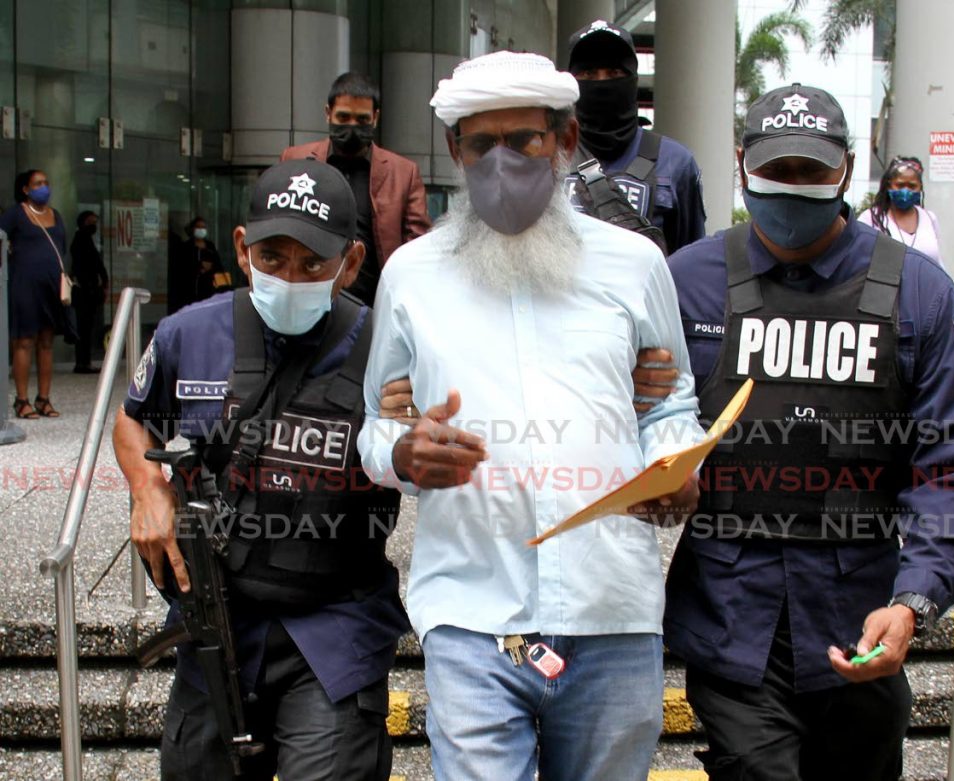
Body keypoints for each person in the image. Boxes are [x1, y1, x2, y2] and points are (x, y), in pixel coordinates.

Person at [357, 51, 704, 781]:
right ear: (455, 149)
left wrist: (676, 463)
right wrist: (404, 454)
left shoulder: (635, 265)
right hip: (472, 611)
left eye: (525, 141)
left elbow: (668, 401)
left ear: (567, 138)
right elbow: (377, 425)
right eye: (482, 144)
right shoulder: (411, 277)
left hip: (610, 606)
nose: (502, 162)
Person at [658, 84, 954, 780]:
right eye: (777, 171)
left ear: (846, 167)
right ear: (741, 162)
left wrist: (914, 600)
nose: (792, 188)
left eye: (811, 172)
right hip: (731, 616)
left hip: (860, 617)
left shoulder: (919, 294)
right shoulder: (686, 284)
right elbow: (630, 422)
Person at [112, 158, 410, 780]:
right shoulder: (188, 335)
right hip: (217, 623)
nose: (290, 276)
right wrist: (148, 488)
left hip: (335, 626)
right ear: (243, 249)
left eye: (312, 264)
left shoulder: (388, 348)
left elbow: (421, 452)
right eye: (273, 258)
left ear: (351, 264)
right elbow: (132, 418)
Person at [281, 71, 432, 306]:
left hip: (375, 304)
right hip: (309, 297)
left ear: (375, 117)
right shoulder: (295, 160)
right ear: (328, 114)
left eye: (361, 120)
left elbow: (419, 247)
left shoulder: (403, 173)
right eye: (343, 117)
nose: (352, 127)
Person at [565, 19, 706, 254]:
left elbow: (689, 264)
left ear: (634, 80)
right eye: (589, 73)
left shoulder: (675, 162)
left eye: (614, 72)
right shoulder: (548, 157)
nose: (602, 83)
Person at [0, 169, 71, 418]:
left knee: (46, 342)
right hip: (24, 286)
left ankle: (44, 398)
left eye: (46, 182)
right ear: (26, 189)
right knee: (24, 342)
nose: (44, 187)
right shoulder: (15, 214)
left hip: (51, 287)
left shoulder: (56, 215)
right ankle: (22, 400)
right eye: (38, 183)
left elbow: (61, 247)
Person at [859, 155, 943, 266]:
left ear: (920, 187)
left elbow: (938, 263)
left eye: (912, 186)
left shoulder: (930, 218)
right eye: (900, 185)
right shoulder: (871, 218)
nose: (906, 191)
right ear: (889, 186)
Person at [70, 210, 109, 373]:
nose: (94, 226)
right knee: (84, 328)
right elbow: (85, 266)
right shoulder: (81, 241)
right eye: (91, 222)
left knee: (86, 327)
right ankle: (83, 362)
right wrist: (91, 286)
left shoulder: (87, 240)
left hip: (90, 289)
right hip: (85, 291)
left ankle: (84, 361)